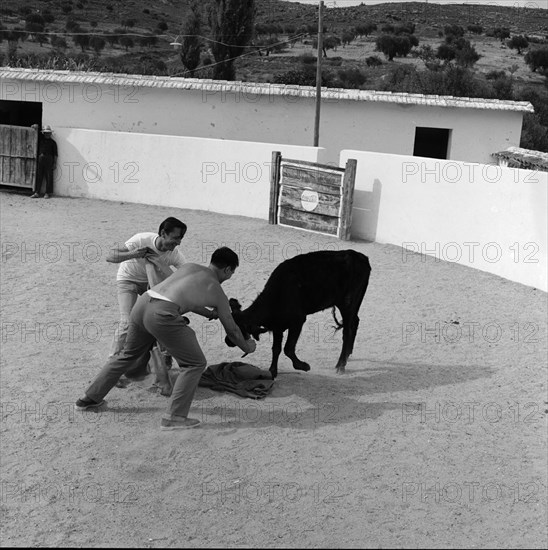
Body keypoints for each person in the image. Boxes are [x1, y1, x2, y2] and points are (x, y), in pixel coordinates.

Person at [75, 247, 257, 430]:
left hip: (143, 304)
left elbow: (183, 296)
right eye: (232, 272)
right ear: (227, 269)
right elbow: (232, 330)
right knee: (194, 364)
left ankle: (88, 398)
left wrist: (209, 313)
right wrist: (247, 347)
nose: (230, 276)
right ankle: (174, 417)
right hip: (162, 315)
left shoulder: (190, 267)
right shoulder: (217, 290)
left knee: (127, 354)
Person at [106, 217, 187, 388]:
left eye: (180, 238)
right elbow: (110, 256)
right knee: (126, 322)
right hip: (128, 280)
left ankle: (162, 366)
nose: (178, 243)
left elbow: (186, 275)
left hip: (151, 285)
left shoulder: (174, 254)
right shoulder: (141, 239)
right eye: (175, 237)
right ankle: (111, 366)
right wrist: (134, 254)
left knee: (160, 322)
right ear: (163, 234)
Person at [30, 125, 57, 199]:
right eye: (45, 133)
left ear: (50, 134)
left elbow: (55, 154)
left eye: (48, 133)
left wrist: (54, 163)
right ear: (43, 133)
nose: (47, 134)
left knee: (49, 176)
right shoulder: (40, 141)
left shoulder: (53, 143)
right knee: (39, 176)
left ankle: (47, 193)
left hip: (49, 159)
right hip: (41, 159)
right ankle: (37, 192)